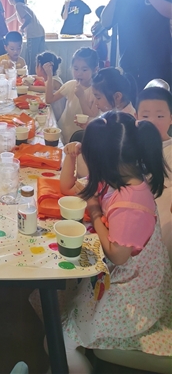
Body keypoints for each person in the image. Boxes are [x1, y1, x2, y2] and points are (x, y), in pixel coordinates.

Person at [60, 112, 172, 374]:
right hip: (120, 277)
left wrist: (94, 212)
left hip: (134, 294)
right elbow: (67, 187)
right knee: (62, 313)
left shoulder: (130, 204)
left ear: (102, 160)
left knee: (61, 342)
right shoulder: (117, 176)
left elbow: (118, 256)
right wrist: (71, 157)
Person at [101, 0, 172, 91]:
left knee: (159, 101)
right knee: (132, 101)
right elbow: (106, 22)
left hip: (159, 60)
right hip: (130, 61)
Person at [137, 86, 172, 264]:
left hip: (160, 225)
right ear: (136, 117)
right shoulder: (132, 145)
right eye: (145, 116)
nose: (152, 121)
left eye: (159, 116)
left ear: (171, 118)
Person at [45, 48, 99, 144]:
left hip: (81, 138)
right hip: (62, 132)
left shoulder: (97, 91)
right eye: (76, 68)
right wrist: (49, 76)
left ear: (95, 69)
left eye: (84, 70)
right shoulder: (70, 85)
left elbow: (91, 116)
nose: (79, 73)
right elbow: (49, 99)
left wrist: (81, 97)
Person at [7, 0, 45, 75]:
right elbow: (16, 16)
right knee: (39, 58)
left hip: (33, 34)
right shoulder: (21, 5)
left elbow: (28, 18)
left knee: (32, 59)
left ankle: (31, 77)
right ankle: (40, 76)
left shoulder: (18, 6)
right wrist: (7, 21)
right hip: (40, 32)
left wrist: (22, 27)